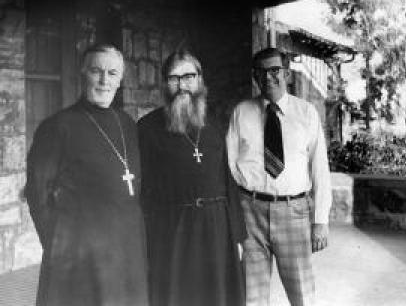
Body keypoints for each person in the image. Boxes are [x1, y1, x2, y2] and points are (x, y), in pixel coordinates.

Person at [25, 44, 149, 306]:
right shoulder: (58, 126)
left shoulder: (126, 122)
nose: (105, 80)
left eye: (112, 73)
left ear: (121, 79)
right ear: (82, 74)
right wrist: (61, 244)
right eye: (96, 71)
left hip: (127, 250)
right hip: (80, 258)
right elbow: (38, 194)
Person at [138, 49, 247, 306]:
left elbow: (227, 181)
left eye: (188, 76)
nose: (182, 85)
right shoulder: (147, 128)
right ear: (165, 83)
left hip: (217, 229)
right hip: (173, 230)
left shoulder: (215, 126)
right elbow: (144, 190)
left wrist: (238, 235)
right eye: (174, 78)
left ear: (199, 80)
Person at [226, 47, 332, 306]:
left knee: (302, 295)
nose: (268, 77)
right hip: (250, 212)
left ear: (287, 74)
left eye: (275, 71)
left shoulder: (306, 113)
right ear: (255, 77)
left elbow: (320, 168)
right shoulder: (241, 112)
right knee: (252, 295)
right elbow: (228, 167)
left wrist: (320, 221)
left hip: (293, 211)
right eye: (261, 73)